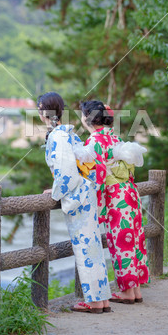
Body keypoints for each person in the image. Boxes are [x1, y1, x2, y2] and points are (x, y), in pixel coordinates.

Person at [37, 92, 111, 313]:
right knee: (93, 246)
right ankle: (102, 299)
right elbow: (86, 159)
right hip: (87, 191)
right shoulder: (68, 132)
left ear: (43, 111)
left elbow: (67, 172)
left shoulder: (57, 136)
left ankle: (95, 302)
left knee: (85, 248)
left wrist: (56, 192)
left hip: (78, 196)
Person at [73, 100, 149, 304]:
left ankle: (126, 292)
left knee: (120, 242)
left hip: (115, 195)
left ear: (88, 119)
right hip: (130, 192)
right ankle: (135, 290)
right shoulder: (114, 137)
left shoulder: (94, 141)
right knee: (132, 238)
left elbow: (94, 175)